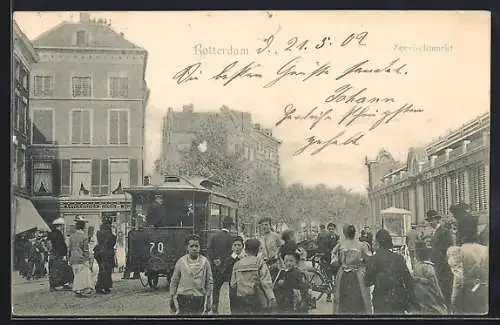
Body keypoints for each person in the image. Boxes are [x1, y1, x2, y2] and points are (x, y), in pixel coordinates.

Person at [364, 229, 415, 314]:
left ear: (378, 243)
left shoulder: (373, 259)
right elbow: (408, 281)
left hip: (380, 301)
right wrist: (412, 302)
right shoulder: (399, 258)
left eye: (374, 241)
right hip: (398, 300)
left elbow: (367, 282)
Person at [447, 216, 488, 315]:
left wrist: (453, 301)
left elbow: (458, 280)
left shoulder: (458, 251)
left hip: (466, 293)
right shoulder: (485, 249)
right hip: (484, 293)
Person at [331, 224, 372, 314]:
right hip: (358, 274)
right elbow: (369, 259)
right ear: (355, 233)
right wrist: (362, 262)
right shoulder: (362, 245)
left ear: (344, 233)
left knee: (342, 298)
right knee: (360, 297)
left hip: (343, 275)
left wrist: (341, 263)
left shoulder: (340, 245)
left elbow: (334, 260)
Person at [230, 238, 277, 315]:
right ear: (258, 250)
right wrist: (271, 298)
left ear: (245, 250)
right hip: (256, 298)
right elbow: (266, 282)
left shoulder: (237, 264)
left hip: (241, 299)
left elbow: (233, 284)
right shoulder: (259, 262)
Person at [169, 234, 213, 315]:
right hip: (183, 297)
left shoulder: (205, 262)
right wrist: (172, 296)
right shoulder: (181, 261)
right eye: (191, 246)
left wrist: (209, 298)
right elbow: (174, 280)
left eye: (196, 246)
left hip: (199, 298)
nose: (194, 248)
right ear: (187, 247)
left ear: (200, 247)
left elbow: (209, 281)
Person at [410, 237, 448, 315]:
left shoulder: (417, 267)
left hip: (422, 298)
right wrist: (441, 296)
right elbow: (435, 285)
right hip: (430, 298)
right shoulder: (428, 267)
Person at [207, 216, 235, 314]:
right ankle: (233, 308)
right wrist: (226, 262)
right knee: (232, 287)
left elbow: (209, 250)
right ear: (230, 226)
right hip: (228, 268)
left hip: (216, 267)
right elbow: (233, 253)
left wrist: (215, 260)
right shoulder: (231, 238)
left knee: (216, 288)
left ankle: (215, 307)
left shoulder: (214, 236)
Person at [427, 210, 454, 309]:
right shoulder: (433, 233)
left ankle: (449, 309)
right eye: (429, 220)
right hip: (436, 264)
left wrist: (444, 262)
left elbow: (449, 248)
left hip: (444, 265)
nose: (430, 223)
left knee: (445, 288)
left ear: (437, 220)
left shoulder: (444, 232)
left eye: (431, 220)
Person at [68, 216, 93, 297]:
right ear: (83, 227)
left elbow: (70, 248)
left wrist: (69, 258)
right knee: (84, 274)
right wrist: (87, 259)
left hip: (73, 257)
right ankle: (82, 290)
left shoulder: (71, 236)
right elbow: (85, 249)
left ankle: (78, 290)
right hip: (81, 258)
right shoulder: (84, 237)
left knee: (77, 275)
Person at [47, 218, 73, 291]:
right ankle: (58, 285)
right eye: (62, 225)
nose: (63, 227)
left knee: (52, 269)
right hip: (59, 254)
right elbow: (61, 245)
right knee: (59, 269)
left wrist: (50, 251)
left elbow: (49, 244)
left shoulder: (51, 233)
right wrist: (64, 254)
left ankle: (52, 285)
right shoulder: (59, 234)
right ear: (60, 225)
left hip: (52, 253)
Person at [222, 236, 245, 314]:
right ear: (232, 247)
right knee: (234, 306)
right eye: (235, 245)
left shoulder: (245, 258)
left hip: (245, 285)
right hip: (233, 286)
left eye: (239, 245)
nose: (237, 247)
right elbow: (224, 272)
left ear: (243, 247)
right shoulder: (229, 259)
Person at [94, 220, 117, 294]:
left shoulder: (99, 232)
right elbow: (112, 241)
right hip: (107, 253)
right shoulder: (109, 233)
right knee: (107, 270)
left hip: (99, 252)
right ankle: (102, 286)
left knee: (102, 269)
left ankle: (103, 286)